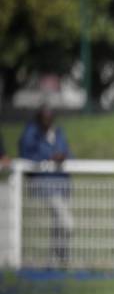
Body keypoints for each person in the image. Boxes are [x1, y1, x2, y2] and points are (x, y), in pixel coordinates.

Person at [18, 105, 74, 264]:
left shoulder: (58, 132)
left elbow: (68, 153)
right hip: (44, 184)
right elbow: (26, 154)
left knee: (60, 223)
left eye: (50, 116)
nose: (48, 120)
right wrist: (50, 157)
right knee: (66, 222)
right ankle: (59, 259)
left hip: (61, 184)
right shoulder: (32, 133)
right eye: (45, 117)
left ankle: (57, 260)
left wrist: (64, 156)